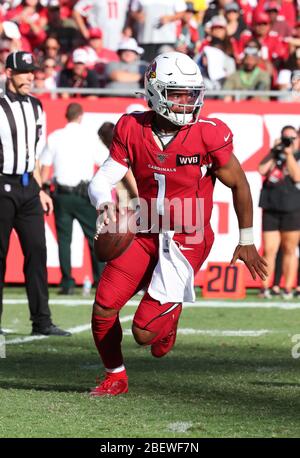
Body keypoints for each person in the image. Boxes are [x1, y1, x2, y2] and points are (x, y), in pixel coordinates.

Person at [88, 51, 267, 396]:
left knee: (145, 334)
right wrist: (106, 204)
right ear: (155, 91)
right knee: (103, 307)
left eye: (191, 94)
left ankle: (169, 313)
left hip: (189, 234)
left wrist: (246, 239)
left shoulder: (208, 134)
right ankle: (115, 376)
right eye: (177, 94)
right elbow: (100, 180)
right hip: (144, 230)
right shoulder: (131, 127)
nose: (186, 102)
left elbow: (240, 184)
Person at [0, 51, 71, 336]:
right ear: (9, 73)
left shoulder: (36, 106)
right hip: (2, 184)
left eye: (33, 72)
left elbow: (36, 155)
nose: (31, 76)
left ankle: (42, 321)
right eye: (24, 72)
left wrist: (40, 189)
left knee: (37, 252)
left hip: (29, 187)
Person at [40, 103, 106, 295]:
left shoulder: (55, 137)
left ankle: (67, 282)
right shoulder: (89, 137)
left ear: (66, 116)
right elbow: (104, 162)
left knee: (64, 240)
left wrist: (44, 189)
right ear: (80, 116)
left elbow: (44, 167)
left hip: (61, 194)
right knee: (94, 238)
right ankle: (99, 280)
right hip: (83, 193)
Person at [258, 125, 300, 299]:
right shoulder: (275, 154)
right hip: (271, 207)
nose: (288, 141)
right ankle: (265, 288)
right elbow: (262, 169)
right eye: (285, 137)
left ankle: (288, 288)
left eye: (292, 138)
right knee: (269, 250)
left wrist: (289, 154)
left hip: (292, 208)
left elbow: (296, 176)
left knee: (290, 250)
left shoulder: (297, 156)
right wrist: (274, 152)